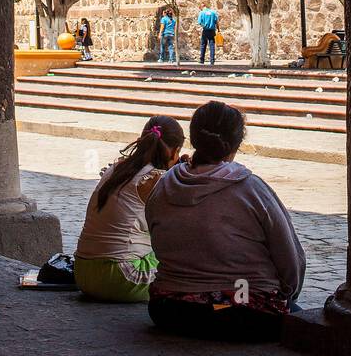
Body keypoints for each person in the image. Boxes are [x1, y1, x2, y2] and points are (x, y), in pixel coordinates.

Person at [145, 100, 306, 340]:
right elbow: (290, 257)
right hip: (240, 313)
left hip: (169, 308)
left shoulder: (164, 184)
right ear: (235, 144)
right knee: (297, 318)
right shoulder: (251, 188)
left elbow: (155, 237)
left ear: (194, 138)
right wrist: (287, 295)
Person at [74, 115, 184, 302]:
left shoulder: (117, 168)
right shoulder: (155, 179)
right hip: (121, 278)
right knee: (186, 264)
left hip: (83, 274)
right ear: (175, 152)